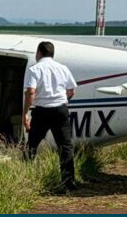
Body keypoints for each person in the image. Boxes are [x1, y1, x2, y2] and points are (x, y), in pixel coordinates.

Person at [22, 40, 77, 190]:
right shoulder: (63, 68)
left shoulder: (34, 69)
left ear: (39, 53)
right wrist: (62, 101)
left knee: (32, 145)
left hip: (42, 111)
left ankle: (25, 177)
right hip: (60, 110)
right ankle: (68, 182)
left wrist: (25, 112)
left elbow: (31, 92)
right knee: (65, 146)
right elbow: (71, 91)